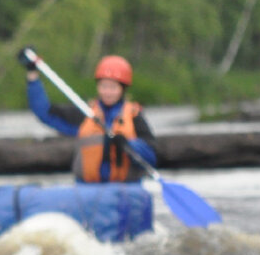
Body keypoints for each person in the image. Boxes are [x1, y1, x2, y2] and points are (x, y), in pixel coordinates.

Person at [19, 48, 157, 183]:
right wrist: (32, 74)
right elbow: (44, 112)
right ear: (98, 86)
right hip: (90, 191)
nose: (107, 92)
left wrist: (130, 144)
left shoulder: (134, 117)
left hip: (125, 189)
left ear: (123, 89)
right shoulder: (85, 113)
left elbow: (152, 156)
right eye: (103, 86)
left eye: (113, 87)